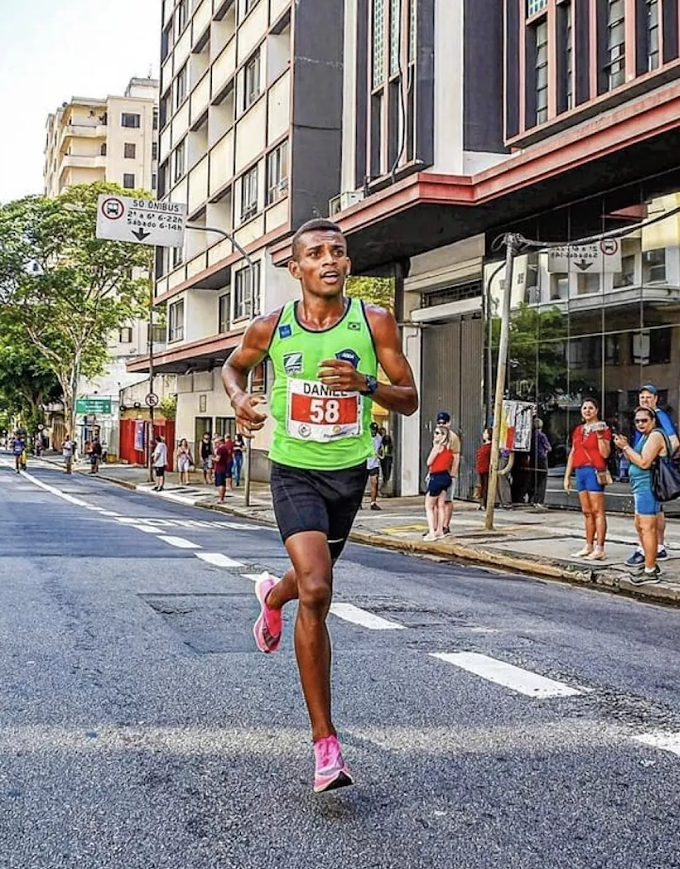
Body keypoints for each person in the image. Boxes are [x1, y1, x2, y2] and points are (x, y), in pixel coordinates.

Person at [221, 218, 417, 793]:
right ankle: (325, 744)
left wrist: (365, 386)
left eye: (338, 251)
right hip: (293, 470)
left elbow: (408, 400)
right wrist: (239, 399)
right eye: (315, 253)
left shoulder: (374, 321)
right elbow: (233, 368)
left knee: (310, 580)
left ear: (348, 264)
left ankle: (270, 595)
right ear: (296, 268)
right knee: (318, 589)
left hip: (348, 476)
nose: (329, 260)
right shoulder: (271, 327)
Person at [625, 384, 679, 567]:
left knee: (647, 522)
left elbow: (674, 443)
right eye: (642, 398)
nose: (645, 400)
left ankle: (650, 557)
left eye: (649, 397)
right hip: (642, 478)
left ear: (656, 399)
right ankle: (657, 549)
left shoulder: (658, 417)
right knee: (651, 516)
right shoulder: (645, 421)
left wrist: (661, 459)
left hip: (649, 477)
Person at [614, 406, 668, 584]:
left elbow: (644, 462)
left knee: (647, 528)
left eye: (644, 420)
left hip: (648, 488)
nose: (640, 424)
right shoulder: (645, 436)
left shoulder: (655, 436)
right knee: (640, 526)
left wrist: (626, 447)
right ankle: (649, 562)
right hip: (639, 487)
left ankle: (650, 570)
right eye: (637, 421)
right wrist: (624, 448)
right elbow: (635, 458)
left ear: (653, 420)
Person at [563, 398, 611, 561]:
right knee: (587, 511)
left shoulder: (603, 428)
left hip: (593, 470)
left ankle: (600, 547)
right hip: (580, 470)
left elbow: (605, 453)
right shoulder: (578, 429)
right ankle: (588, 545)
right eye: (585, 408)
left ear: (596, 410)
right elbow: (573, 452)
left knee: (598, 510)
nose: (588, 411)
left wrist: (598, 436)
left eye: (591, 408)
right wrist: (567, 475)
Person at [424, 425, 456, 540]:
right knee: (441, 505)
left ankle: (432, 531)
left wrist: (435, 446)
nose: (435, 435)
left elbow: (429, 462)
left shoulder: (437, 448)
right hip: (445, 476)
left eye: (438, 433)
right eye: (435, 432)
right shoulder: (449, 449)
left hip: (436, 477)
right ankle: (440, 530)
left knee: (429, 506)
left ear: (443, 436)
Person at [435, 411, 460, 533]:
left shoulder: (453, 438)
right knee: (434, 500)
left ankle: (445, 525)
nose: (441, 425)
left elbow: (456, 457)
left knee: (447, 500)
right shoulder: (437, 435)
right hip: (437, 472)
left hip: (448, 472)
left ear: (449, 423)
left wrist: (453, 474)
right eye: (439, 423)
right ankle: (435, 526)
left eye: (444, 423)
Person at [530, 418, 552, 508]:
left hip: (533, 458)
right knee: (542, 480)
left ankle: (533, 499)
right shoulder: (542, 436)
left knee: (535, 480)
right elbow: (549, 447)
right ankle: (539, 501)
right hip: (541, 458)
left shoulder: (532, 436)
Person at [475, 427, 493, 509]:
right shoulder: (484, 445)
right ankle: (481, 503)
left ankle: (485, 503)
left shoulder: (491, 446)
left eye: (485, 433)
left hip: (486, 468)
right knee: (481, 486)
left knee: (486, 486)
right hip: (481, 468)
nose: (483, 434)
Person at [366, 421, 382, 510]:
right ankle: (359, 503)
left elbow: (380, 448)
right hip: (365, 462)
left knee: (374, 483)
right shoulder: (365, 437)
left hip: (374, 463)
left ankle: (373, 502)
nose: (373, 432)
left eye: (375, 430)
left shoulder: (379, 438)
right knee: (361, 485)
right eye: (372, 430)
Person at [213, 435, 233, 502]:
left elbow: (218, 459)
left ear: (220, 442)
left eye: (216, 442)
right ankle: (222, 498)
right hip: (224, 467)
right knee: (223, 484)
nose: (216, 444)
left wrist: (212, 458)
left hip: (219, 468)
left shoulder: (220, 449)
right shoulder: (225, 448)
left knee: (220, 484)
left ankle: (220, 498)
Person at [378, 426, 393, 494]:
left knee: (387, 470)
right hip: (384, 457)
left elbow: (390, 445)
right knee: (385, 470)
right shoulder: (380, 439)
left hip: (387, 456)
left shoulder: (387, 438)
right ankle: (385, 482)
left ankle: (385, 482)